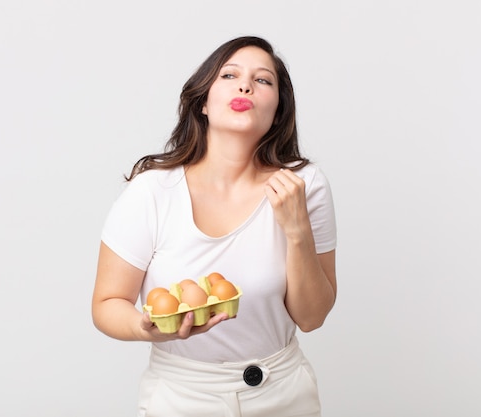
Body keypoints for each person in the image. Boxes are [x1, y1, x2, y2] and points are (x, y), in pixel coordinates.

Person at [92, 35, 337, 417]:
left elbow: (312, 317)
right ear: (203, 101)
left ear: (278, 109)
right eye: (230, 75)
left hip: (284, 394)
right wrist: (146, 328)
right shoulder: (153, 191)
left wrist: (297, 230)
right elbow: (106, 304)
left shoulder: (303, 186)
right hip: (181, 397)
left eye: (263, 80)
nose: (246, 85)